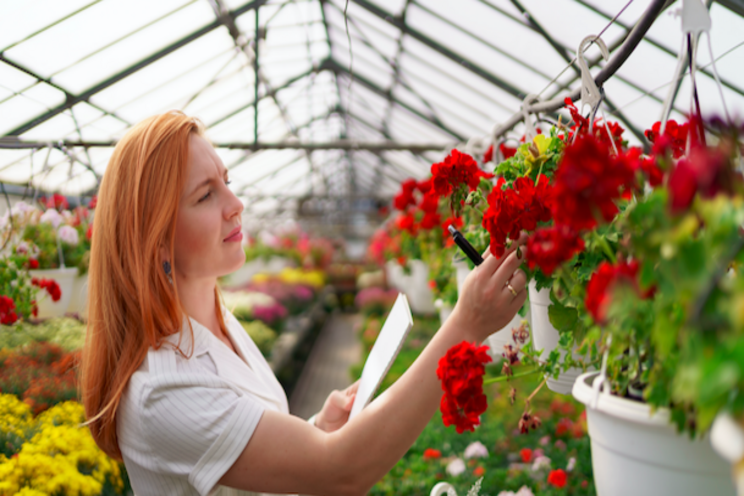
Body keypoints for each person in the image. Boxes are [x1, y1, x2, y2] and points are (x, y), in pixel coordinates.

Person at [80, 111, 528, 496]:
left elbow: (242, 472)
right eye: (205, 195)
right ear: (155, 239)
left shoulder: (219, 327)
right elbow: (343, 471)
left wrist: (315, 429)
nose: (235, 205)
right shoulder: (163, 391)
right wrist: (465, 325)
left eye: (227, 183)